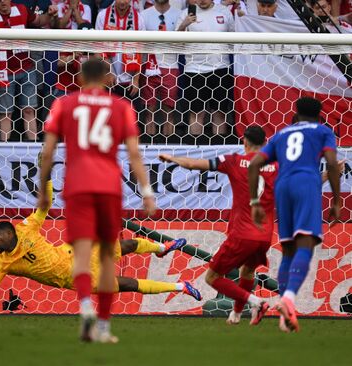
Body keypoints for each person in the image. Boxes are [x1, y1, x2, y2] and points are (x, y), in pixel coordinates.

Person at [0, 179, 200, 314]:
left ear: (10, 233)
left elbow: (43, 207)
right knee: (127, 284)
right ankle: (181, 286)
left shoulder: (26, 228)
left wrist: (44, 179)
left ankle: (161, 248)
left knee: (124, 243)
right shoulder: (3, 264)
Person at [38, 58, 157, 343]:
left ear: (79, 78)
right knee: (105, 260)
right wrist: (147, 192)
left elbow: (48, 150)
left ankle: (86, 307)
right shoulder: (121, 107)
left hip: (78, 186)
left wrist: (43, 188)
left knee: (80, 255)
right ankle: (103, 327)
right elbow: (134, 154)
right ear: (107, 78)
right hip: (109, 187)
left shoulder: (64, 104)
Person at [160, 126, 274, 326]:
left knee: (212, 277)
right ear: (265, 143)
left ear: (245, 142)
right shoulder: (277, 166)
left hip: (242, 234)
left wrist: (173, 158)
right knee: (247, 272)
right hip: (265, 235)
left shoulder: (233, 161)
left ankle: (256, 302)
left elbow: (194, 164)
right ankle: (237, 314)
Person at [248, 97, 341, 332]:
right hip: (306, 183)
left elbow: (254, 164)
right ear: (320, 115)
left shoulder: (281, 134)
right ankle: (288, 300)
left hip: (283, 187)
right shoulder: (323, 131)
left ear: (296, 113)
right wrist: (337, 199)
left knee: (288, 249)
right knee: (306, 245)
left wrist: (255, 201)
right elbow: (331, 162)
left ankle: (283, 312)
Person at [0, 0, 59, 141]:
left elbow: (40, 21)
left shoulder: (22, 10)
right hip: (4, 72)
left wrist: (50, 14)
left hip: (26, 69)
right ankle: (5, 149)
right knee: (5, 113)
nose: (3, 2)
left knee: (29, 109)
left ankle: (33, 147)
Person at [176, 0, 235, 141]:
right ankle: (196, 151)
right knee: (196, 113)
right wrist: (184, 25)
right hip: (194, 70)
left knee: (220, 112)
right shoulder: (186, 13)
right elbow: (176, 43)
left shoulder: (224, 12)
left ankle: (218, 151)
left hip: (221, 68)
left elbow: (234, 39)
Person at [140, 0, 182, 141]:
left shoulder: (179, 14)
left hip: (171, 66)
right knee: (148, 110)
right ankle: (148, 146)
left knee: (169, 111)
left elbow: (182, 42)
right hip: (149, 66)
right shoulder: (144, 14)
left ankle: (169, 147)